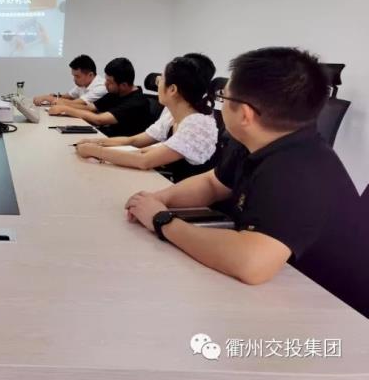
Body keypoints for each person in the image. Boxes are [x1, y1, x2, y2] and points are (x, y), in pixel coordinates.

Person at [123, 48, 367, 317]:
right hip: (282, 284)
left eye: (224, 97)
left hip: (333, 310)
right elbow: (212, 184)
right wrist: (160, 199)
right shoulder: (258, 140)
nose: (220, 103)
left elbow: (251, 263)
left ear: (245, 115)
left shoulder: (300, 171)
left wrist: (162, 221)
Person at [75, 55, 218, 181]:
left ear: (172, 89)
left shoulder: (197, 124)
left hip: (183, 195)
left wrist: (94, 151)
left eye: (161, 79)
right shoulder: (172, 115)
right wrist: (95, 142)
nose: (157, 83)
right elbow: (134, 141)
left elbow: (144, 161)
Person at [48, 58, 153, 137]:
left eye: (109, 82)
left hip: (122, 145)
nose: (105, 84)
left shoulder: (137, 102)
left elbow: (99, 120)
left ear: (124, 85)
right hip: (105, 136)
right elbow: (90, 108)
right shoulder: (116, 93)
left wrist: (66, 109)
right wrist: (63, 104)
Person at [32, 54, 106, 108]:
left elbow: (74, 103)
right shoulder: (83, 84)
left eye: (77, 76)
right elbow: (68, 96)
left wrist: (47, 98)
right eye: (73, 76)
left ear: (90, 75)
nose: (74, 79)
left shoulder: (101, 87)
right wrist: (55, 96)